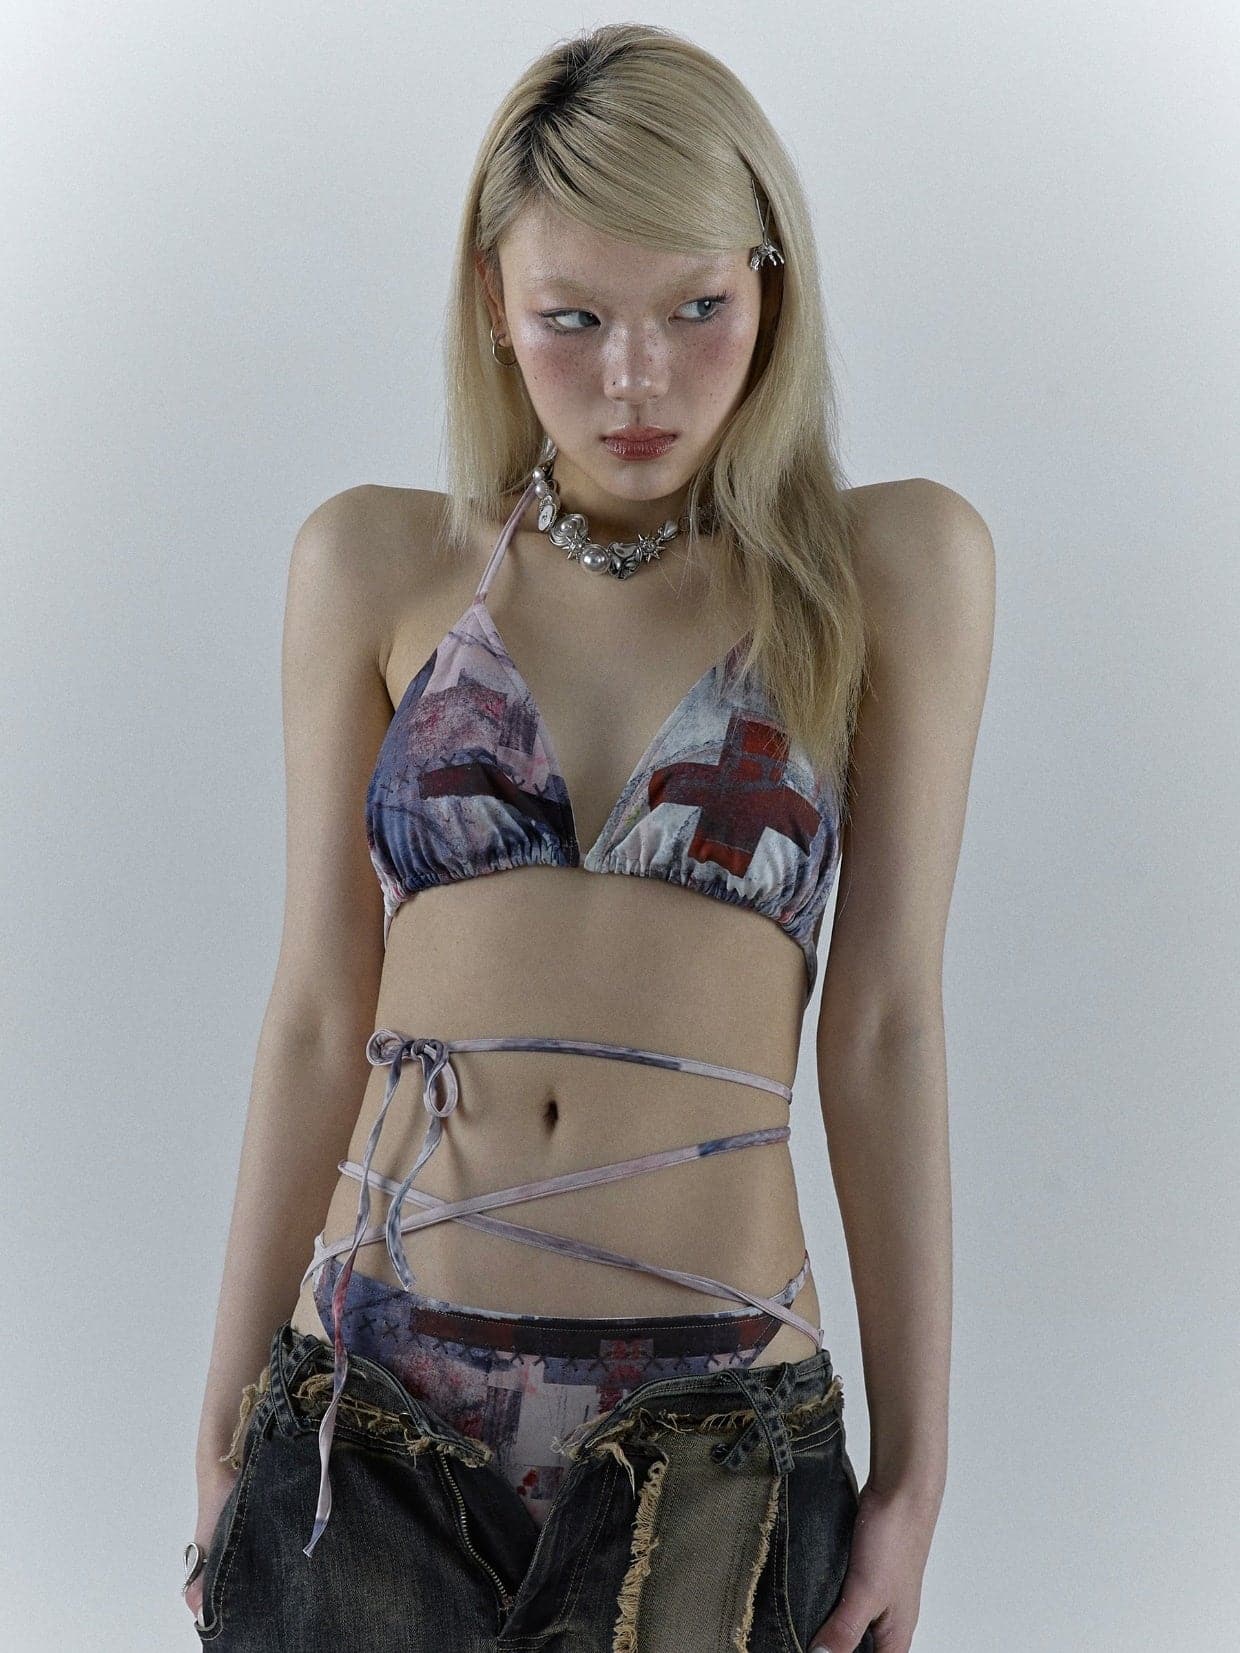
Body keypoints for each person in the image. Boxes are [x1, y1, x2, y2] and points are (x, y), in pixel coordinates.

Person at [184, 22, 992, 1652]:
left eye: (697, 309)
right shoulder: (374, 564)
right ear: (493, 300)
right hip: (365, 1419)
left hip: (717, 1433)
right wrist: (218, 1430)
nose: (637, 377)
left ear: (773, 288)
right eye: (576, 319)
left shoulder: (886, 570)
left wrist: (915, 1479)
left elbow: (887, 1024)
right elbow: (319, 1011)